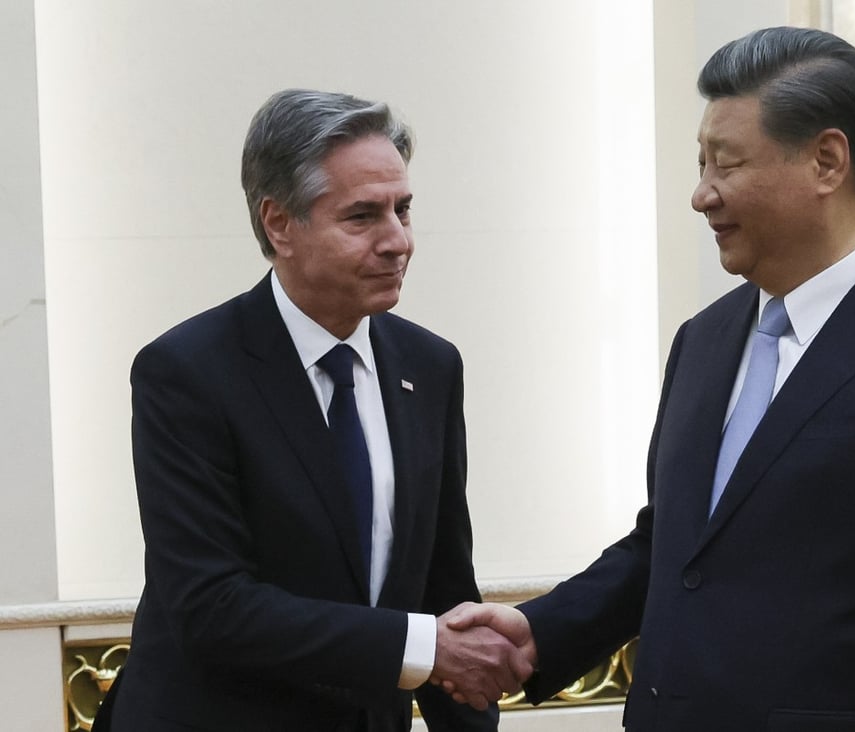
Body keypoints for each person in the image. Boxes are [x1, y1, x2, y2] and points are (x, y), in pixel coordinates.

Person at [440, 26, 855, 731]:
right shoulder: (702, 342)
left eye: (725, 165)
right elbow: (675, 544)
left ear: (827, 161)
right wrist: (542, 629)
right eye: (700, 163)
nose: (701, 195)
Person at [92, 89, 529, 732]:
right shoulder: (187, 372)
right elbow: (212, 605)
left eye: (403, 210)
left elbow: (443, 590)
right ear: (278, 224)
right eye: (362, 217)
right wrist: (423, 648)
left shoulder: (430, 367)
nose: (397, 241)